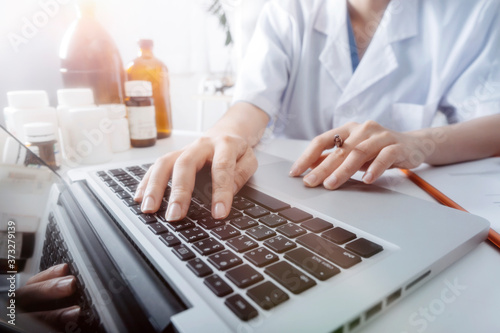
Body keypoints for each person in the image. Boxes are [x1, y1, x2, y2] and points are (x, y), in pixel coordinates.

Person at [135, 0, 500, 221]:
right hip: (286, 193)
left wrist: (417, 142)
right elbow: (251, 104)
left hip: (389, 200)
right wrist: (224, 138)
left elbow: (493, 122)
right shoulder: (288, 10)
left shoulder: (473, 13)